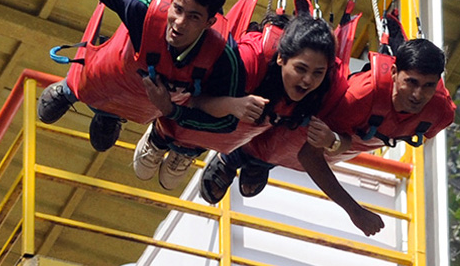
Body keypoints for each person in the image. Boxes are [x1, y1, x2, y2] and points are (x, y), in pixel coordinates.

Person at [38, 0, 241, 187]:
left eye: (193, 17)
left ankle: (111, 115)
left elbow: (226, 121)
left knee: (104, 139)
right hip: (99, 78)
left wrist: (172, 111)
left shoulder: (223, 56)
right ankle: (69, 90)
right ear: (171, 2)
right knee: (80, 100)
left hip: (141, 105)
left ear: (209, 22)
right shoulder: (144, 8)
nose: (179, 23)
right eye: (177, 9)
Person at [201, 37, 455, 237]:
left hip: (344, 141)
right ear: (395, 72)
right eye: (411, 82)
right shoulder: (359, 96)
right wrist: (354, 210)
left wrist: (335, 142)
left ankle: (258, 164)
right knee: (280, 138)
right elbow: (309, 156)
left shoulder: (440, 112)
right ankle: (233, 159)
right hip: (309, 128)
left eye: (428, 86)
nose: (418, 95)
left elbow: (339, 142)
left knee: (285, 151)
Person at [134, 12, 344, 191]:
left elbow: (343, 142)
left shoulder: (324, 86)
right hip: (189, 112)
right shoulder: (248, 61)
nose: (308, 80)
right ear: (281, 58)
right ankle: (159, 138)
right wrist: (232, 104)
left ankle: (190, 150)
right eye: (301, 69)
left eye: (318, 72)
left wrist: (332, 140)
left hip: (221, 137)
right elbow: (194, 97)